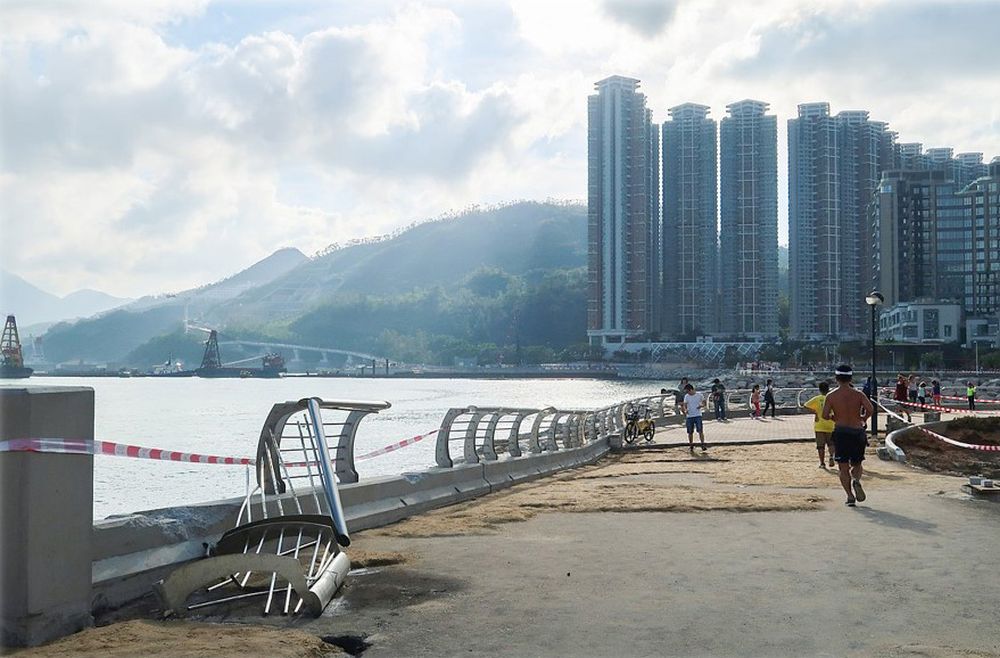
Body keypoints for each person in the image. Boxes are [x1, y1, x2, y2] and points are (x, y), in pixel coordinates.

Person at [822, 365, 875, 507]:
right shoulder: (858, 394)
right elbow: (870, 409)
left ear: (836, 378)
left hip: (841, 432)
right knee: (857, 463)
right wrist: (863, 418)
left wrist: (835, 418)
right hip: (857, 431)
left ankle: (850, 496)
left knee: (843, 467)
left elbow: (824, 415)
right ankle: (856, 479)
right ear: (851, 378)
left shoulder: (831, 396)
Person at [804, 381, 836, 468]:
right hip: (831, 424)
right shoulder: (832, 399)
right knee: (831, 443)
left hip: (819, 425)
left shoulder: (817, 399)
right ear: (828, 389)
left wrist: (815, 412)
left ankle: (822, 463)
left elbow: (805, 406)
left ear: (819, 390)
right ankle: (831, 456)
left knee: (820, 446)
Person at [681, 383, 707, 452]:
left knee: (700, 430)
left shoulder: (699, 395)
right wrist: (685, 410)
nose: (687, 393)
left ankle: (702, 444)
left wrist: (701, 405)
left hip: (698, 415)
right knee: (690, 432)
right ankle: (691, 445)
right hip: (689, 416)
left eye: (688, 391)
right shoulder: (686, 396)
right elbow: (685, 405)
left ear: (691, 389)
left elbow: (704, 402)